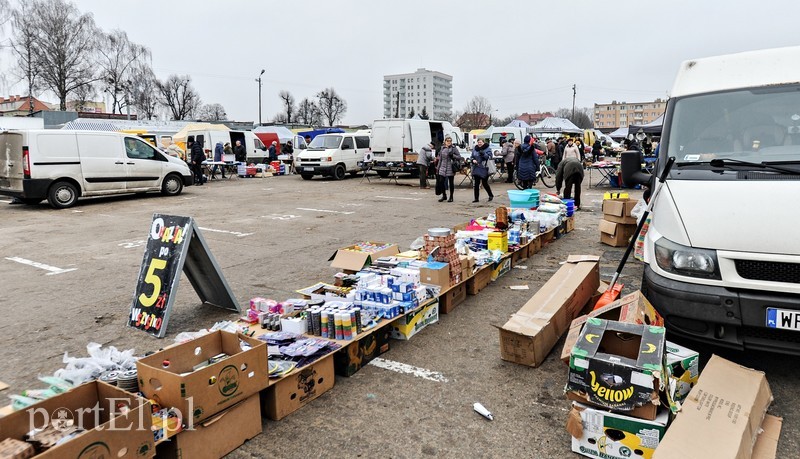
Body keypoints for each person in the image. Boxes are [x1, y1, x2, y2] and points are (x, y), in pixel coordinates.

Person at [470, 138, 494, 202]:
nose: (479, 143)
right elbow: (471, 156)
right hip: (476, 167)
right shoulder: (475, 149)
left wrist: (483, 153)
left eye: (480, 142)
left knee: (484, 183)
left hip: (484, 168)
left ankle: (490, 195)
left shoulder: (487, 148)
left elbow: (489, 157)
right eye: (478, 142)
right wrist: (473, 160)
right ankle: (476, 198)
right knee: (476, 184)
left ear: (483, 142)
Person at [435, 136, 458, 202]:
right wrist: (438, 168)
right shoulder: (442, 148)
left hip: (450, 167)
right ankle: (444, 195)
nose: (449, 142)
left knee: (451, 183)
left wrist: (453, 156)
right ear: (445, 142)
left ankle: (451, 197)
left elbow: (459, 157)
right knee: (441, 181)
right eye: (447, 141)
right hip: (443, 167)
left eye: (450, 141)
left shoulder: (454, 148)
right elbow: (440, 159)